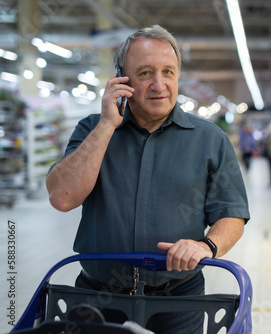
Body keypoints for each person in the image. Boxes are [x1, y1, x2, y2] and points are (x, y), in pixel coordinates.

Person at [46, 25, 250, 333]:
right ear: (121, 79)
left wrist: (207, 245)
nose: (159, 85)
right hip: (97, 299)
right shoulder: (93, 129)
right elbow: (62, 197)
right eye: (145, 74)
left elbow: (232, 212)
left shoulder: (210, 140)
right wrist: (105, 126)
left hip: (179, 303)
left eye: (168, 72)